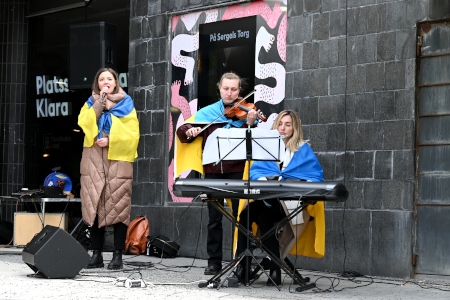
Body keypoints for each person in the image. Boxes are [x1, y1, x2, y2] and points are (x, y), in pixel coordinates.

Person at [175, 72, 259, 275]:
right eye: (226, 89)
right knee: (214, 220)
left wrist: (250, 123)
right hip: (213, 172)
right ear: (219, 89)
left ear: (240, 91)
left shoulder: (247, 111)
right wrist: (189, 131)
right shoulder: (208, 112)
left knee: (243, 218)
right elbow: (182, 131)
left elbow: (257, 142)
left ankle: (242, 262)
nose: (230, 93)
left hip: (238, 171)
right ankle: (214, 262)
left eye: (234, 89)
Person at [236, 110, 324, 286]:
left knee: (265, 218)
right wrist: (265, 181)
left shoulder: (303, 149)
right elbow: (256, 172)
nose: (283, 128)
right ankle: (242, 264)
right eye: (280, 124)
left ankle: (273, 269)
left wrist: (298, 182)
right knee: (246, 214)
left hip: (290, 203)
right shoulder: (267, 146)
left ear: (295, 128)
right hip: (266, 198)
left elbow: (315, 177)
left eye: (288, 124)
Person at [78, 67, 139, 270]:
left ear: (116, 82)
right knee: (94, 206)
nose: (106, 81)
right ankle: (96, 254)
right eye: (102, 79)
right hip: (94, 161)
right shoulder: (90, 103)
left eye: (109, 78)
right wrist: (99, 103)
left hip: (118, 162)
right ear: (97, 83)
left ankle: (117, 255)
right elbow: (84, 123)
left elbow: (133, 134)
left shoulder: (127, 104)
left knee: (119, 208)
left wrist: (111, 140)